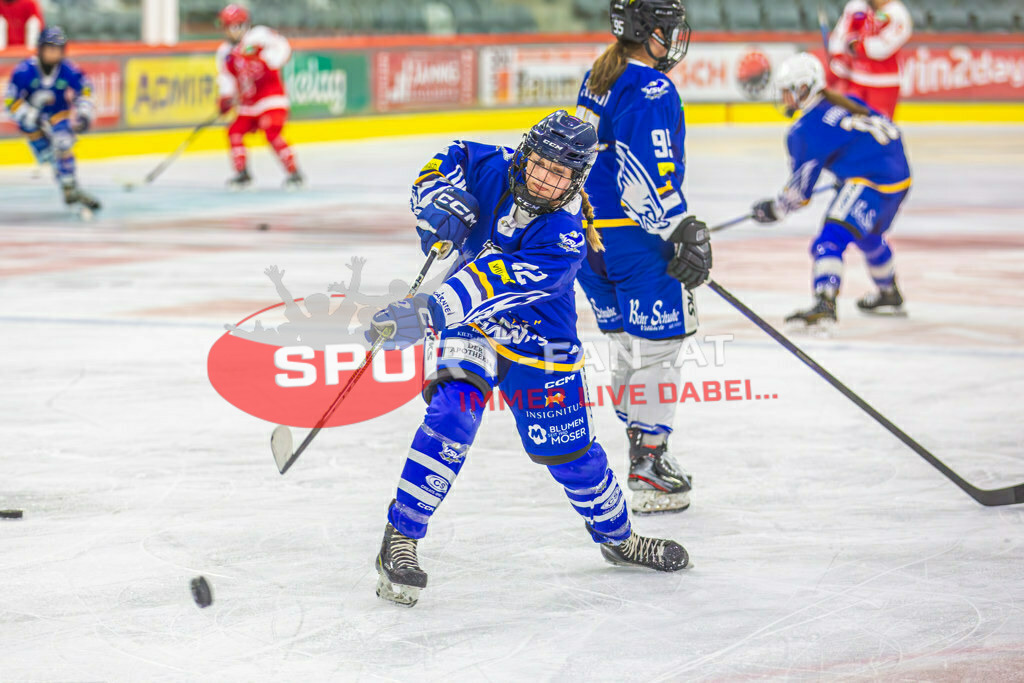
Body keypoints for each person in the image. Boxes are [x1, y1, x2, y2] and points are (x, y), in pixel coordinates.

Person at [366, 111, 693, 608]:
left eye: (560, 174)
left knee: (570, 455)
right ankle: (402, 537)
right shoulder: (488, 165)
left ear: (576, 180)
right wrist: (440, 205)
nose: (544, 179)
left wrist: (422, 311)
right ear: (525, 152)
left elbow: (491, 281)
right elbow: (440, 166)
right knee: (453, 412)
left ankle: (618, 537)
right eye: (540, 164)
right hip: (472, 329)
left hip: (538, 337)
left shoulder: (565, 236)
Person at [573, 0, 712, 515]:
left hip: (591, 240)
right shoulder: (652, 87)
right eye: (666, 30)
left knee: (628, 348)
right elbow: (645, 175)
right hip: (636, 239)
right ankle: (649, 463)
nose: (673, 39)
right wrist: (682, 229)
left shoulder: (598, 75)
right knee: (658, 351)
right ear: (644, 31)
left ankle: (640, 447)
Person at [750, 53, 911, 327]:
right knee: (867, 234)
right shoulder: (849, 103)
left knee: (830, 238)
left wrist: (774, 211)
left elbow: (800, 194)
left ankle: (825, 303)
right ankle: (889, 292)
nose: (784, 98)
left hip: (871, 181)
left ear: (803, 89)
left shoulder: (804, 130)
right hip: (899, 179)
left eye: (787, 91)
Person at [3, 26, 100, 216]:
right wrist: (29, 115)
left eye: (58, 49)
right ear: (40, 48)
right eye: (50, 48)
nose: (54, 53)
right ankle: (68, 185)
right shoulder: (24, 71)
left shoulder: (67, 70)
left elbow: (86, 89)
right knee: (48, 156)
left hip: (58, 116)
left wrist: (84, 113)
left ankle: (69, 187)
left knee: (62, 143)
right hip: (32, 122)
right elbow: (10, 101)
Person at [215, 4, 303, 190]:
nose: (232, 31)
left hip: (271, 97)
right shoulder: (225, 52)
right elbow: (226, 77)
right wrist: (225, 98)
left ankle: (295, 173)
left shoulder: (259, 36)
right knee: (235, 131)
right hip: (249, 102)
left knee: (271, 131)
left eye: (236, 25)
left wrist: (267, 60)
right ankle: (243, 174)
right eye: (229, 26)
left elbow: (282, 47)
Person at [827, 0, 911, 119]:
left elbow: (884, 47)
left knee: (879, 126)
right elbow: (841, 34)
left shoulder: (897, 12)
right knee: (852, 124)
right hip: (856, 80)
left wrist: (857, 46)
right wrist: (838, 56)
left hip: (884, 84)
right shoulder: (856, 6)